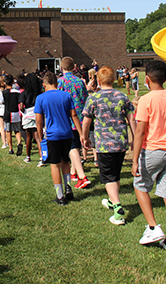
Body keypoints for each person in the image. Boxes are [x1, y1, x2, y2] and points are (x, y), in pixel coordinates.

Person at [131, 60, 166, 256]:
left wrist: (135, 159)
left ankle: (153, 227)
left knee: (140, 186)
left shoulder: (146, 100)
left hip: (152, 150)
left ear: (146, 79)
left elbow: (140, 131)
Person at [82, 66, 136, 225]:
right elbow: (131, 119)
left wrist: (84, 138)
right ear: (114, 79)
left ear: (97, 80)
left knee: (108, 177)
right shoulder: (123, 97)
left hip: (104, 144)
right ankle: (113, 200)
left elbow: (86, 121)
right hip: (120, 142)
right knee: (115, 173)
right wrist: (135, 138)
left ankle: (118, 209)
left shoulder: (93, 98)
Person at [35, 72, 86, 205]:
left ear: (44, 85)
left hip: (52, 135)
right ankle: (68, 187)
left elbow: (39, 121)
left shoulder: (41, 98)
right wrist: (80, 133)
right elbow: (74, 115)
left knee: (54, 164)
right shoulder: (66, 95)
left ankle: (60, 195)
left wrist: (41, 137)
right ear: (57, 84)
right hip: (67, 133)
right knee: (65, 160)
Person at [57, 56, 91, 190]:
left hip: (67, 119)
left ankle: (82, 177)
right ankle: (73, 173)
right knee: (75, 146)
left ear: (61, 68)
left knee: (72, 148)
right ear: (74, 67)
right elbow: (85, 98)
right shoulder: (80, 81)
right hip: (81, 118)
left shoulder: (61, 82)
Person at [20, 73, 42, 164]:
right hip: (37, 115)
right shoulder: (39, 93)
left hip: (28, 115)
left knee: (28, 136)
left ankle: (28, 156)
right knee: (38, 137)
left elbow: (21, 106)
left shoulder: (24, 93)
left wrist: (24, 111)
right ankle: (42, 157)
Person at [2, 74, 23, 155]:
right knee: (17, 130)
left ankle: (11, 149)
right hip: (16, 113)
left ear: (5, 83)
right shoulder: (17, 92)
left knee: (8, 131)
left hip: (7, 113)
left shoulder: (3, 92)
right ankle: (19, 142)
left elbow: (2, 102)